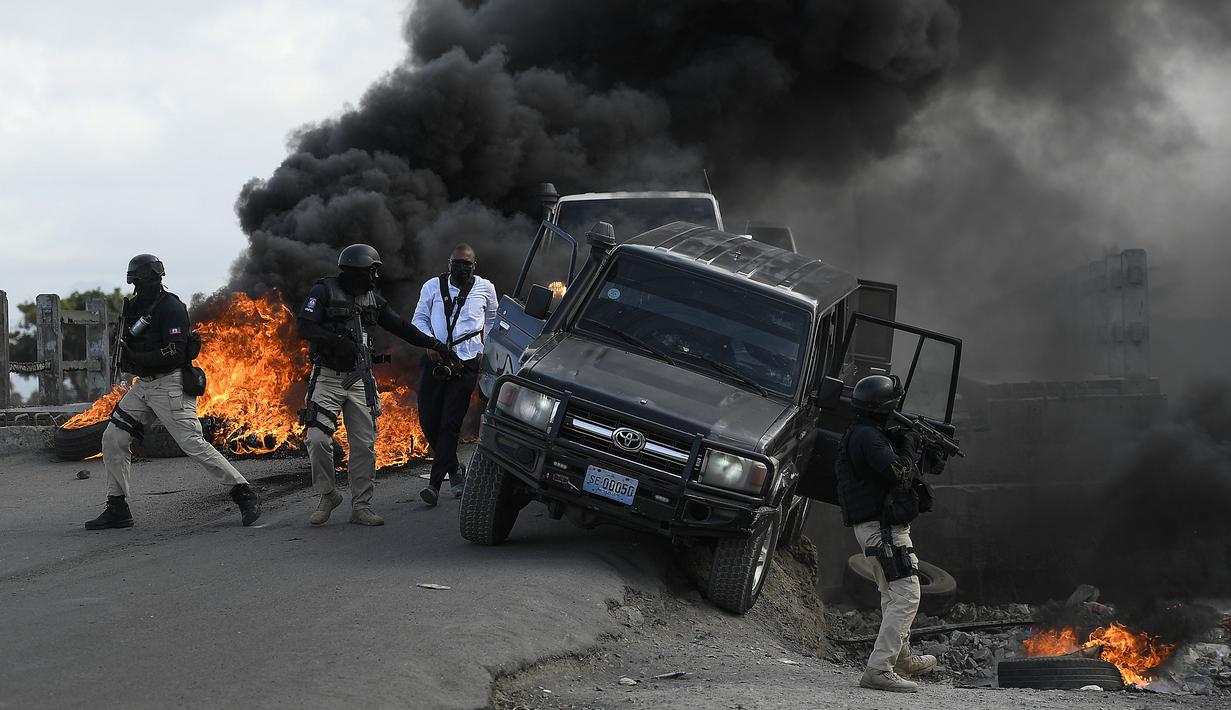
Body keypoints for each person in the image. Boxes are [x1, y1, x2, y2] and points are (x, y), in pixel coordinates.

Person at [86, 254, 262, 529]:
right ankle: (117, 506)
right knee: (113, 437)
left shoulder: (171, 308)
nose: (139, 287)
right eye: (135, 282)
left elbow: (175, 352)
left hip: (170, 384)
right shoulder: (133, 308)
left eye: (142, 281)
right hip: (144, 385)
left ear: (156, 279)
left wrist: (138, 357)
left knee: (192, 443)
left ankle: (243, 492)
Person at [297, 244, 454, 526]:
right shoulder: (323, 291)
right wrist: (335, 341)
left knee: (364, 447)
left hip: (360, 380)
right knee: (317, 439)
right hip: (327, 378)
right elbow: (304, 326)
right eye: (372, 271)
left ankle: (361, 506)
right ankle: (328, 494)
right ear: (356, 271)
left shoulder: (374, 301)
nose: (376, 277)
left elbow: (402, 328)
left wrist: (435, 345)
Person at [835, 374, 939, 693]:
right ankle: (879, 668)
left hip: (878, 527)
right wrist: (908, 446)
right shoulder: (869, 438)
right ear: (886, 407)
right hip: (883, 530)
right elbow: (898, 472)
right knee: (908, 593)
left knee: (892, 594)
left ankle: (901, 659)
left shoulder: (865, 432)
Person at [411, 243, 499, 506]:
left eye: (466, 263)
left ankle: (434, 486)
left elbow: (493, 320)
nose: (460, 267)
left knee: (450, 423)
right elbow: (419, 319)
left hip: (467, 363)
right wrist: (429, 345)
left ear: (475, 265)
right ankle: (454, 470)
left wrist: (485, 349)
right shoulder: (432, 287)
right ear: (448, 264)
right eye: (455, 263)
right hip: (436, 359)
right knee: (428, 421)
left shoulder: (486, 288)